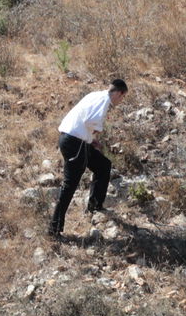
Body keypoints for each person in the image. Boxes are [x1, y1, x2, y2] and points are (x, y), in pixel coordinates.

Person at [48, 79, 128, 237]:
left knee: (103, 165)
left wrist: (91, 140)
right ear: (119, 93)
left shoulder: (96, 95)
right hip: (74, 143)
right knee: (69, 185)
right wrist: (95, 132)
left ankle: (95, 206)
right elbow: (90, 120)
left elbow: (84, 120)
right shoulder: (104, 101)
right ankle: (54, 229)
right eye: (123, 97)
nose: (121, 101)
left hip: (75, 140)